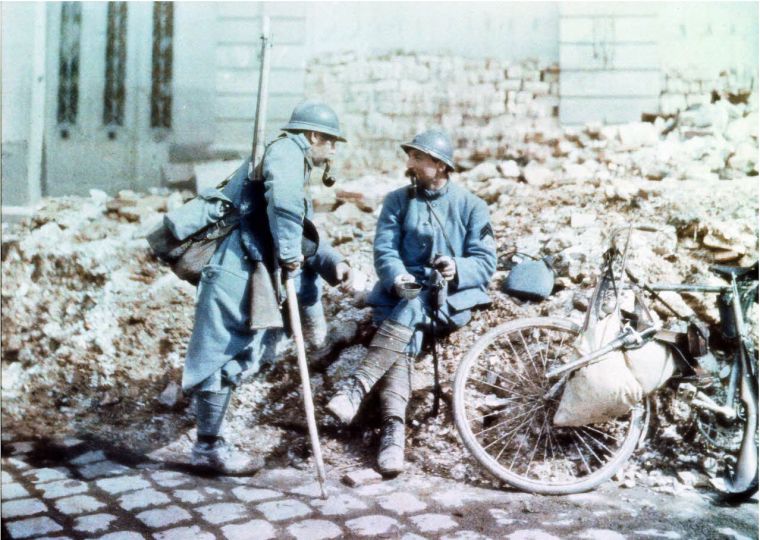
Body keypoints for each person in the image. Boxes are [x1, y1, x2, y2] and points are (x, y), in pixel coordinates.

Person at [182, 100, 352, 475]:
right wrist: (291, 255)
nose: (334, 151)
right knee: (220, 353)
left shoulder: (293, 159)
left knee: (237, 352)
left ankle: (209, 442)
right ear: (313, 136)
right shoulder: (288, 152)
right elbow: (287, 208)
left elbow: (302, 227)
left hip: (248, 268)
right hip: (234, 269)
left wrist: (331, 261)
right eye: (331, 142)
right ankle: (207, 448)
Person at [326, 128, 497, 476]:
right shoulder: (397, 201)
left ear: (440, 165)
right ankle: (392, 438)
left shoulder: (472, 207)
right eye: (411, 156)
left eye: (418, 157)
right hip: (402, 294)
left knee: (414, 308)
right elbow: (385, 249)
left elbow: (485, 262)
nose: (410, 163)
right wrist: (397, 276)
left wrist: (455, 267)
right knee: (408, 329)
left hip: (450, 298)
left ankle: (356, 391)